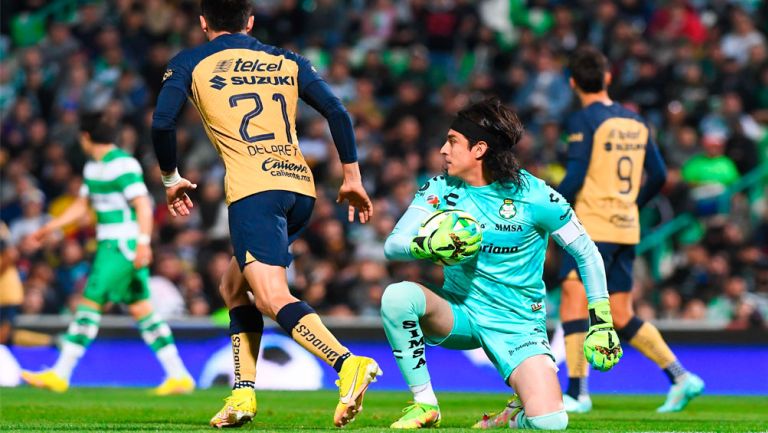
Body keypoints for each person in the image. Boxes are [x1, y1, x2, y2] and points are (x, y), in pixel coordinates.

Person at [150, 0, 380, 428]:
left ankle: (347, 363)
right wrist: (352, 178)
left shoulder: (191, 60)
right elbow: (337, 111)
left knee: (273, 298)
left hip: (255, 191)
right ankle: (242, 395)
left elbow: (162, 123)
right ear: (250, 22)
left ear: (203, 23)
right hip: (299, 189)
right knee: (233, 286)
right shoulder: (286, 59)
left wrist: (170, 178)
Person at [380, 98, 622, 430]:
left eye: (452, 141)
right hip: (460, 311)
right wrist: (424, 245)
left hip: (517, 325)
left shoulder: (536, 196)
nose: (442, 150)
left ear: (478, 149)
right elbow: (393, 246)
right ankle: (425, 404)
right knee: (397, 297)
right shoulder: (441, 188)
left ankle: (514, 414)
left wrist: (602, 321)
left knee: (550, 423)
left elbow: (587, 253)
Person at [556, 46, 703, 414]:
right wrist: (632, 204)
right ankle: (681, 376)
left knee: (574, 299)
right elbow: (658, 176)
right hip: (625, 228)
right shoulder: (636, 122)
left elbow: (574, 176)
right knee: (620, 315)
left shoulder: (582, 120)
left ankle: (576, 392)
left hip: (590, 228)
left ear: (573, 83)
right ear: (608, 78)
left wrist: (552, 211)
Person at [21, 112, 195, 395]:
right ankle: (179, 375)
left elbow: (142, 205)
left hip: (121, 245)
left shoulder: (123, 165)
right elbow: (82, 208)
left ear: (86, 137)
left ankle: (60, 372)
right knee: (142, 309)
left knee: (90, 301)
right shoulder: (94, 168)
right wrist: (49, 227)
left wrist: (143, 243)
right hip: (112, 245)